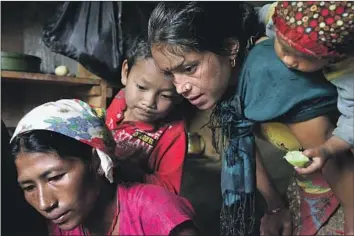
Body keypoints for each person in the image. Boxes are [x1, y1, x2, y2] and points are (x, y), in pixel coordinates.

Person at [148, 2, 353, 235]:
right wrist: (275, 208)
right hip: (318, 168)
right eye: (170, 74)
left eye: (189, 68)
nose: (180, 87)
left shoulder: (270, 75)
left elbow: (333, 153)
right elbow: (240, 136)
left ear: (230, 47)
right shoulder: (224, 78)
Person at [9, 99, 198, 236]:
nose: (45, 203)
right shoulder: (61, 225)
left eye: (55, 177)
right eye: (29, 187)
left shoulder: (157, 210)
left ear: (97, 162)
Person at [256, 1, 354, 234]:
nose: (288, 60)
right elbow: (259, 15)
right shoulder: (276, 15)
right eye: (284, 46)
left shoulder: (346, 71)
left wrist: (328, 149)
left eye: (303, 57)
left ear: (331, 58)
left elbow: (351, 120)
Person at [105, 36, 187, 194]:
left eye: (165, 96)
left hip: (132, 201)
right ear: (125, 72)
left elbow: (169, 189)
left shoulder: (173, 131)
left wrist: (128, 171)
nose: (149, 102)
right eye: (142, 87)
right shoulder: (121, 98)